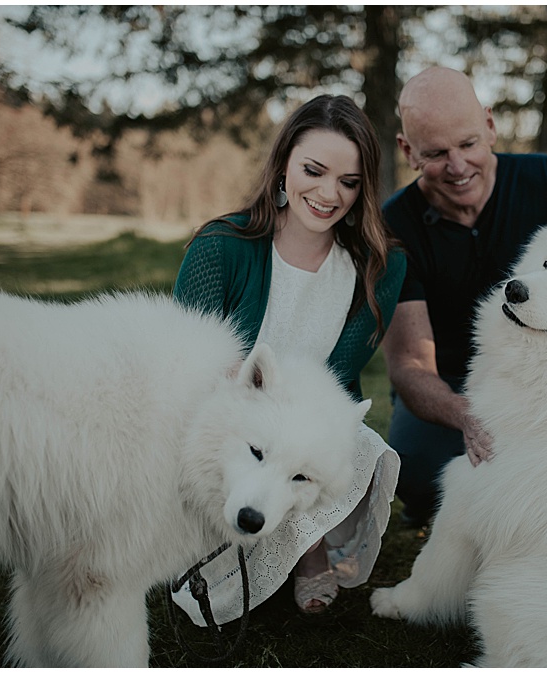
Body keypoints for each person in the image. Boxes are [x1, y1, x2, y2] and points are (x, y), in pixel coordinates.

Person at [172, 94, 406, 614]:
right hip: (228, 425)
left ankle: (308, 550)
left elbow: (339, 377)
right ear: (282, 166)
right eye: (314, 171)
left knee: (347, 450)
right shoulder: (220, 245)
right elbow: (180, 362)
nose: (328, 194)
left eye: (348, 182)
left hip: (307, 426)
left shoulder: (378, 268)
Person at [381, 67, 547, 527]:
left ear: (490, 126)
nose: (457, 167)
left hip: (546, 372)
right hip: (451, 381)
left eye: (468, 144)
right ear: (407, 151)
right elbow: (410, 366)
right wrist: (468, 415)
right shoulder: (394, 224)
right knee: (417, 475)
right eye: (435, 153)